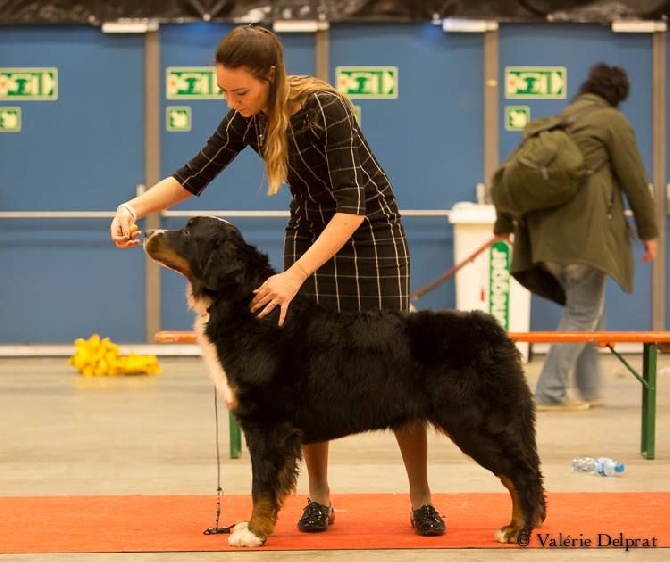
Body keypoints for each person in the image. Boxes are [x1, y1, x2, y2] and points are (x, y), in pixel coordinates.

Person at [110, 24, 444, 536]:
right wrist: (132, 206)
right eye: (223, 90)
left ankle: (421, 499)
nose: (231, 100)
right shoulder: (247, 117)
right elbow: (192, 176)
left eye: (239, 91)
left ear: (270, 77)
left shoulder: (325, 109)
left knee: (397, 365)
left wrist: (294, 277)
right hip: (309, 232)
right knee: (302, 371)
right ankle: (318, 498)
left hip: (368, 235)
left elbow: (352, 209)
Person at [494, 62, 659, 411]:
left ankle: (588, 388)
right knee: (584, 313)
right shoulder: (612, 122)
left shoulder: (559, 121)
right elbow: (635, 182)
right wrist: (650, 233)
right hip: (584, 239)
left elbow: (505, 176)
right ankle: (550, 391)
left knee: (586, 311)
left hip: (545, 242)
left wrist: (503, 226)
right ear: (617, 96)